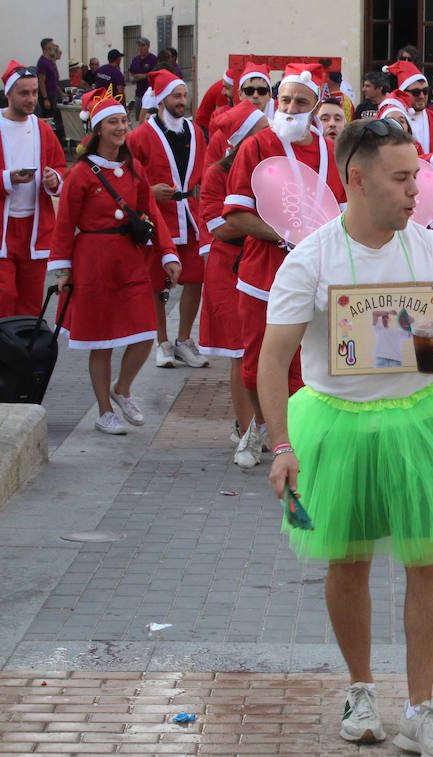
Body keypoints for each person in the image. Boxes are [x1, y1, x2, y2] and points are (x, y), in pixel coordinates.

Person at [259, 117, 433, 757]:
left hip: (419, 421)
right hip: (336, 426)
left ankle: (421, 710)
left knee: (429, 563)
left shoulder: (429, 250)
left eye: (417, 174)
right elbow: (272, 358)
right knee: (349, 561)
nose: (416, 188)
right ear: (356, 180)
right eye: (401, 177)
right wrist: (281, 446)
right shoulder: (312, 260)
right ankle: (360, 691)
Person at [223, 63, 345, 468]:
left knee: (309, 363)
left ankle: (294, 437)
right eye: (286, 99)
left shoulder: (330, 151)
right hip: (263, 276)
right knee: (257, 362)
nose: (291, 107)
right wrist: (284, 237)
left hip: (317, 277)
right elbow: (236, 216)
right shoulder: (256, 147)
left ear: (316, 107)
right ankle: (260, 426)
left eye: (301, 101)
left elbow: (343, 215)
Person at [49, 89, 178, 435]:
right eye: (113, 122)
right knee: (100, 341)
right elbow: (64, 225)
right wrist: (62, 270)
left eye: (123, 120)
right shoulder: (80, 174)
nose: (121, 127)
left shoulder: (134, 171)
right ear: (98, 129)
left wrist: (168, 253)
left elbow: (152, 214)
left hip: (130, 260)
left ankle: (122, 389)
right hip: (92, 262)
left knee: (145, 330)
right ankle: (104, 410)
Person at [0, 62, 66, 330]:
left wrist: (55, 180)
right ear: (9, 94)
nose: (31, 99)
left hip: (34, 228)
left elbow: (60, 167)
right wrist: (6, 179)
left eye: (33, 93)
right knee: (3, 294)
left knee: (31, 300)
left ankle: (25, 358)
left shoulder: (43, 130)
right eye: (24, 94)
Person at [129, 69, 210, 370]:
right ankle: (162, 341)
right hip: (158, 219)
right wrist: (149, 192)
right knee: (159, 284)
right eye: (176, 96)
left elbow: (204, 173)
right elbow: (127, 180)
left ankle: (184, 339)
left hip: (190, 215)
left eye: (184, 95)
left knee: (195, 280)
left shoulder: (196, 131)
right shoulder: (140, 136)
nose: (182, 101)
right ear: (162, 100)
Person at [202, 101, 268, 456]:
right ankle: (246, 430)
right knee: (240, 351)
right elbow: (219, 227)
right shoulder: (217, 173)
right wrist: (265, 226)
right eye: (262, 130)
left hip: (262, 264)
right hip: (229, 269)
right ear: (245, 141)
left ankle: (267, 425)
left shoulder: (274, 168)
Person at [384, 62, 433, 157]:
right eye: (416, 92)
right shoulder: (393, 118)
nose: (422, 96)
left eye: (425, 91)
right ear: (402, 93)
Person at [37, 38, 65, 141]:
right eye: (53, 45)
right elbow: (41, 81)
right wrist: (45, 99)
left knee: (55, 120)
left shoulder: (50, 61)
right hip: (47, 95)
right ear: (47, 47)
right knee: (49, 120)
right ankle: (47, 140)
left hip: (54, 94)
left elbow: (54, 80)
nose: (55, 47)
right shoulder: (42, 62)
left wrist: (61, 93)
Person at [195, 66, 236, 133]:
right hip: (204, 125)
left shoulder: (226, 86)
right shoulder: (223, 92)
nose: (223, 91)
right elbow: (220, 120)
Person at [129, 37, 159, 112]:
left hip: (150, 94)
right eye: (139, 46)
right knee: (139, 117)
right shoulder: (135, 59)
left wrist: (144, 76)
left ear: (148, 46)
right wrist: (131, 78)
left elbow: (156, 75)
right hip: (139, 94)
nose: (140, 48)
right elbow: (131, 72)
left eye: (143, 45)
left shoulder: (153, 59)